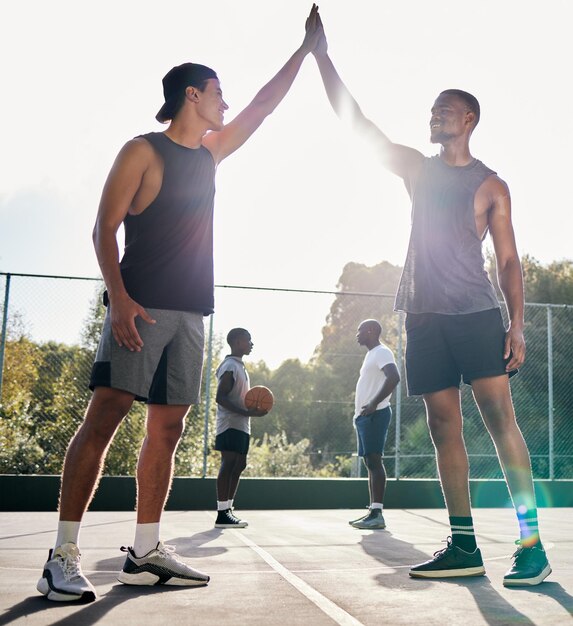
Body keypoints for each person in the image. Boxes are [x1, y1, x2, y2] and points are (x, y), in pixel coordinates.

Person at [36, 5, 322, 603]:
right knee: (106, 416)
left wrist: (305, 53)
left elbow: (263, 108)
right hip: (140, 309)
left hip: (192, 312)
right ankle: (61, 555)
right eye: (218, 92)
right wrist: (118, 300)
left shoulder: (210, 154)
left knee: (168, 427)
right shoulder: (141, 151)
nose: (226, 101)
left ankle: (144, 551)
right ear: (193, 95)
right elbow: (102, 229)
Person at [310, 10, 551, 586]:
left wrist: (517, 325)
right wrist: (322, 59)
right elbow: (361, 126)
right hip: (423, 317)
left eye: (444, 108)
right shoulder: (417, 169)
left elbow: (510, 260)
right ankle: (463, 545)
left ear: (468, 119)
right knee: (444, 425)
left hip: (475, 315)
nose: (434, 114)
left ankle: (531, 545)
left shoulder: (492, 185)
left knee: (499, 422)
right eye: (432, 108)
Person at [348, 319, 400, 530]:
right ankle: (373, 511)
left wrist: (373, 404)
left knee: (375, 461)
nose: (357, 334)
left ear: (370, 331)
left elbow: (394, 377)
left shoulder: (382, 352)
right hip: (366, 417)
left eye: (360, 330)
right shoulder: (371, 354)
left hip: (375, 414)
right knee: (370, 462)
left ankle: (377, 513)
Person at [213, 328, 267, 528]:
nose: (251, 344)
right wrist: (246, 412)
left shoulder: (240, 366)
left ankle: (228, 509)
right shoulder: (229, 366)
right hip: (230, 424)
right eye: (248, 340)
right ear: (237, 341)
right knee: (228, 464)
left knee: (239, 465)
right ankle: (221, 513)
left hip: (242, 424)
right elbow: (220, 397)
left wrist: (251, 410)